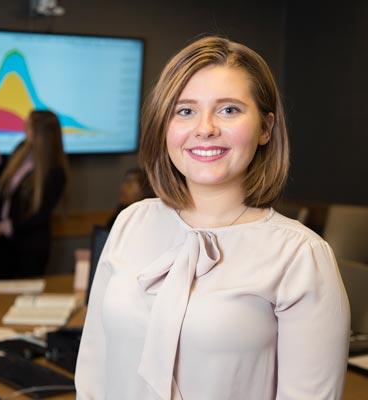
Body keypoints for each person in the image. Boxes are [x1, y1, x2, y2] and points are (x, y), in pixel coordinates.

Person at [75, 36, 350, 399]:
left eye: (229, 110)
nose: (204, 128)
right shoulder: (131, 223)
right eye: (185, 111)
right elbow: (94, 375)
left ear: (266, 128)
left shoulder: (301, 256)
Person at [0, 110, 69, 279]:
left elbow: (39, 216)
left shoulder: (55, 172)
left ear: (42, 132)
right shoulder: (22, 148)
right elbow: (4, 179)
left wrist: (2, 228)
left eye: (29, 126)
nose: (24, 128)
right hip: (3, 246)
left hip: (29, 249)